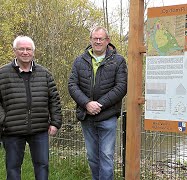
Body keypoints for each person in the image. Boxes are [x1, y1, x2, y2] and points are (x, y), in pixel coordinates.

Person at [68, 26, 127, 180]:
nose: (98, 41)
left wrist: (98, 104)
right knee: (92, 157)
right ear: (91, 40)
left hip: (107, 116)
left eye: (101, 38)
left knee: (106, 157)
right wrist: (87, 104)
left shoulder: (118, 60)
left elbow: (121, 87)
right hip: (87, 117)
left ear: (108, 40)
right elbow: (72, 85)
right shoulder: (80, 61)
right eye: (95, 38)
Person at [0, 36, 62, 180]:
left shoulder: (45, 74)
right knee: (13, 168)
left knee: (42, 166)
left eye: (28, 49)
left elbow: (54, 100)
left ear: (33, 52)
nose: (25, 52)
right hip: (12, 130)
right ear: (15, 51)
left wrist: (55, 122)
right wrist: (4, 120)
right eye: (21, 49)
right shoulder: (2, 74)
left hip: (39, 129)